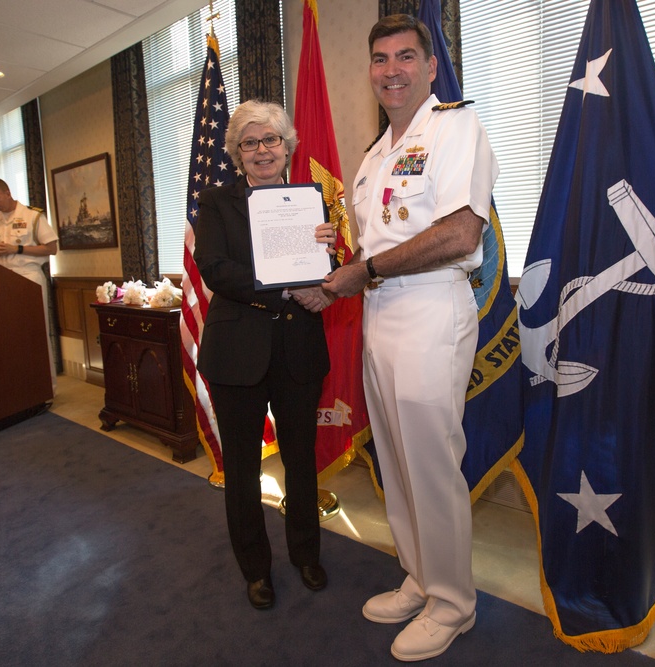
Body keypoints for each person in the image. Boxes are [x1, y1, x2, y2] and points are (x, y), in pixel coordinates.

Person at [321, 14, 498, 662]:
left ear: (429, 67)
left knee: (431, 465)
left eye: (404, 56)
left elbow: (459, 235)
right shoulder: (373, 158)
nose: (391, 69)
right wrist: (335, 260)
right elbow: (371, 245)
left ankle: (454, 603)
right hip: (379, 313)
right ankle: (420, 576)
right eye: (379, 58)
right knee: (395, 461)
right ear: (370, 71)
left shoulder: (455, 128)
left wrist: (362, 270)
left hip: (430, 311)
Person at [195, 99, 337, 610]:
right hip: (237, 352)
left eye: (271, 140)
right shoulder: (215, 203)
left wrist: (330, 278)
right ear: (235, 152)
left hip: (298, 347)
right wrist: (278, 290)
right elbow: (213, 266)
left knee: (301, 461)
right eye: (250, 143)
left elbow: (327, 263)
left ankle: (305, 554)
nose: (262, 151)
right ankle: (255, 568)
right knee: (242, 468)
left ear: (287, 146)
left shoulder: (312, 199)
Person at [0, 177, 59, 393]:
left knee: (34, 331)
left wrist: (18, 249)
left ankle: (44, 386)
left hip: (28, 276)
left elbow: (51, 248)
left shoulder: (32, 216)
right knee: (8, 333)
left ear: (7, 192)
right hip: (1, 279)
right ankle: (16, 385)